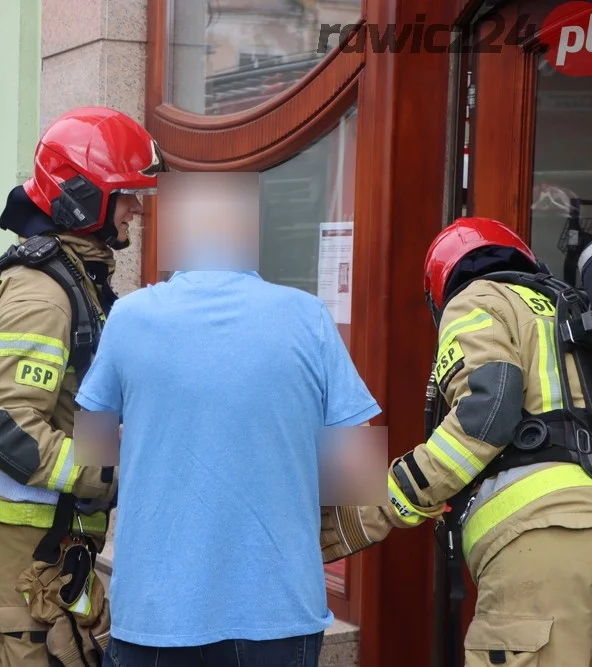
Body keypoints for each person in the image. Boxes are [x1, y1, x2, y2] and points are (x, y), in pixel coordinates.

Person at [73, 170, 382, 667]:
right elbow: (359, 475)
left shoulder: (130, 316)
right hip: (281, 610)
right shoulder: (308, 317)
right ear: (248, 234)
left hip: (156, 613)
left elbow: (91, 451)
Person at [320, 217, 592, 666]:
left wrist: (383, 503)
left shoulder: (476, 298)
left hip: (540, 545)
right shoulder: (572, 309)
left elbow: (487, 416)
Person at [0, 106, 160, 666]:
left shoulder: (75, 277)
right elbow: (5, 424)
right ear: (82, 196)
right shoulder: (43, 293)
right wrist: (110, 474)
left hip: (44, 534)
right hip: (23, 534)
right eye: (126, 194)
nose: (137, 209)